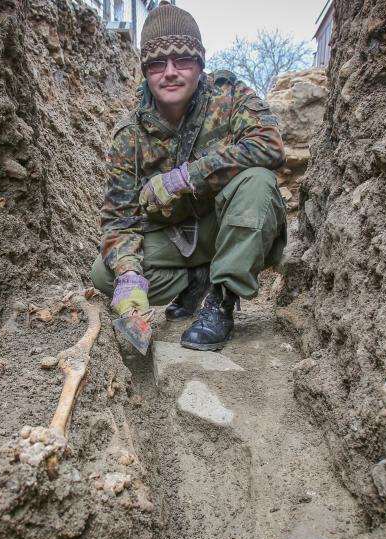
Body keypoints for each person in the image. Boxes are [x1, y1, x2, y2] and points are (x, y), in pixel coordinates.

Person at [90, 2, 286, 351]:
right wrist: (129, 274)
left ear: (199, 63)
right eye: (156, 64)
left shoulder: (230, 96)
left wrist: (186, 177)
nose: (170, 72)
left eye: (182, 60)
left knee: (258, 181)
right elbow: (120, 219)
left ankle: (222, 298)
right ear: (145, 71)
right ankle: (195, 282)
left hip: (227, 224)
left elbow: (270, 146)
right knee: (104, 273)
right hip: (176, 237)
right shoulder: (129, 135)